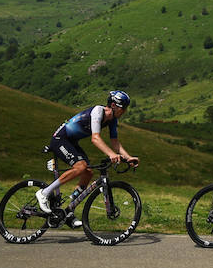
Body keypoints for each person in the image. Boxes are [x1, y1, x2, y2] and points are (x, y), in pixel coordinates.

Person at [37, 90, 139, 225]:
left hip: (71, 142)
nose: (124, 111)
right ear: (113, 105)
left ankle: (68, 211)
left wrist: (128, 157)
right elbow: (95, 138)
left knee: (88, 173)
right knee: (81, 166)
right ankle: (44, 193)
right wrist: (111, 154)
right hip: (60, 139)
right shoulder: (98, 111)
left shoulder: (112, 120)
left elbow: (115, 141)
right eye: (123, 108)